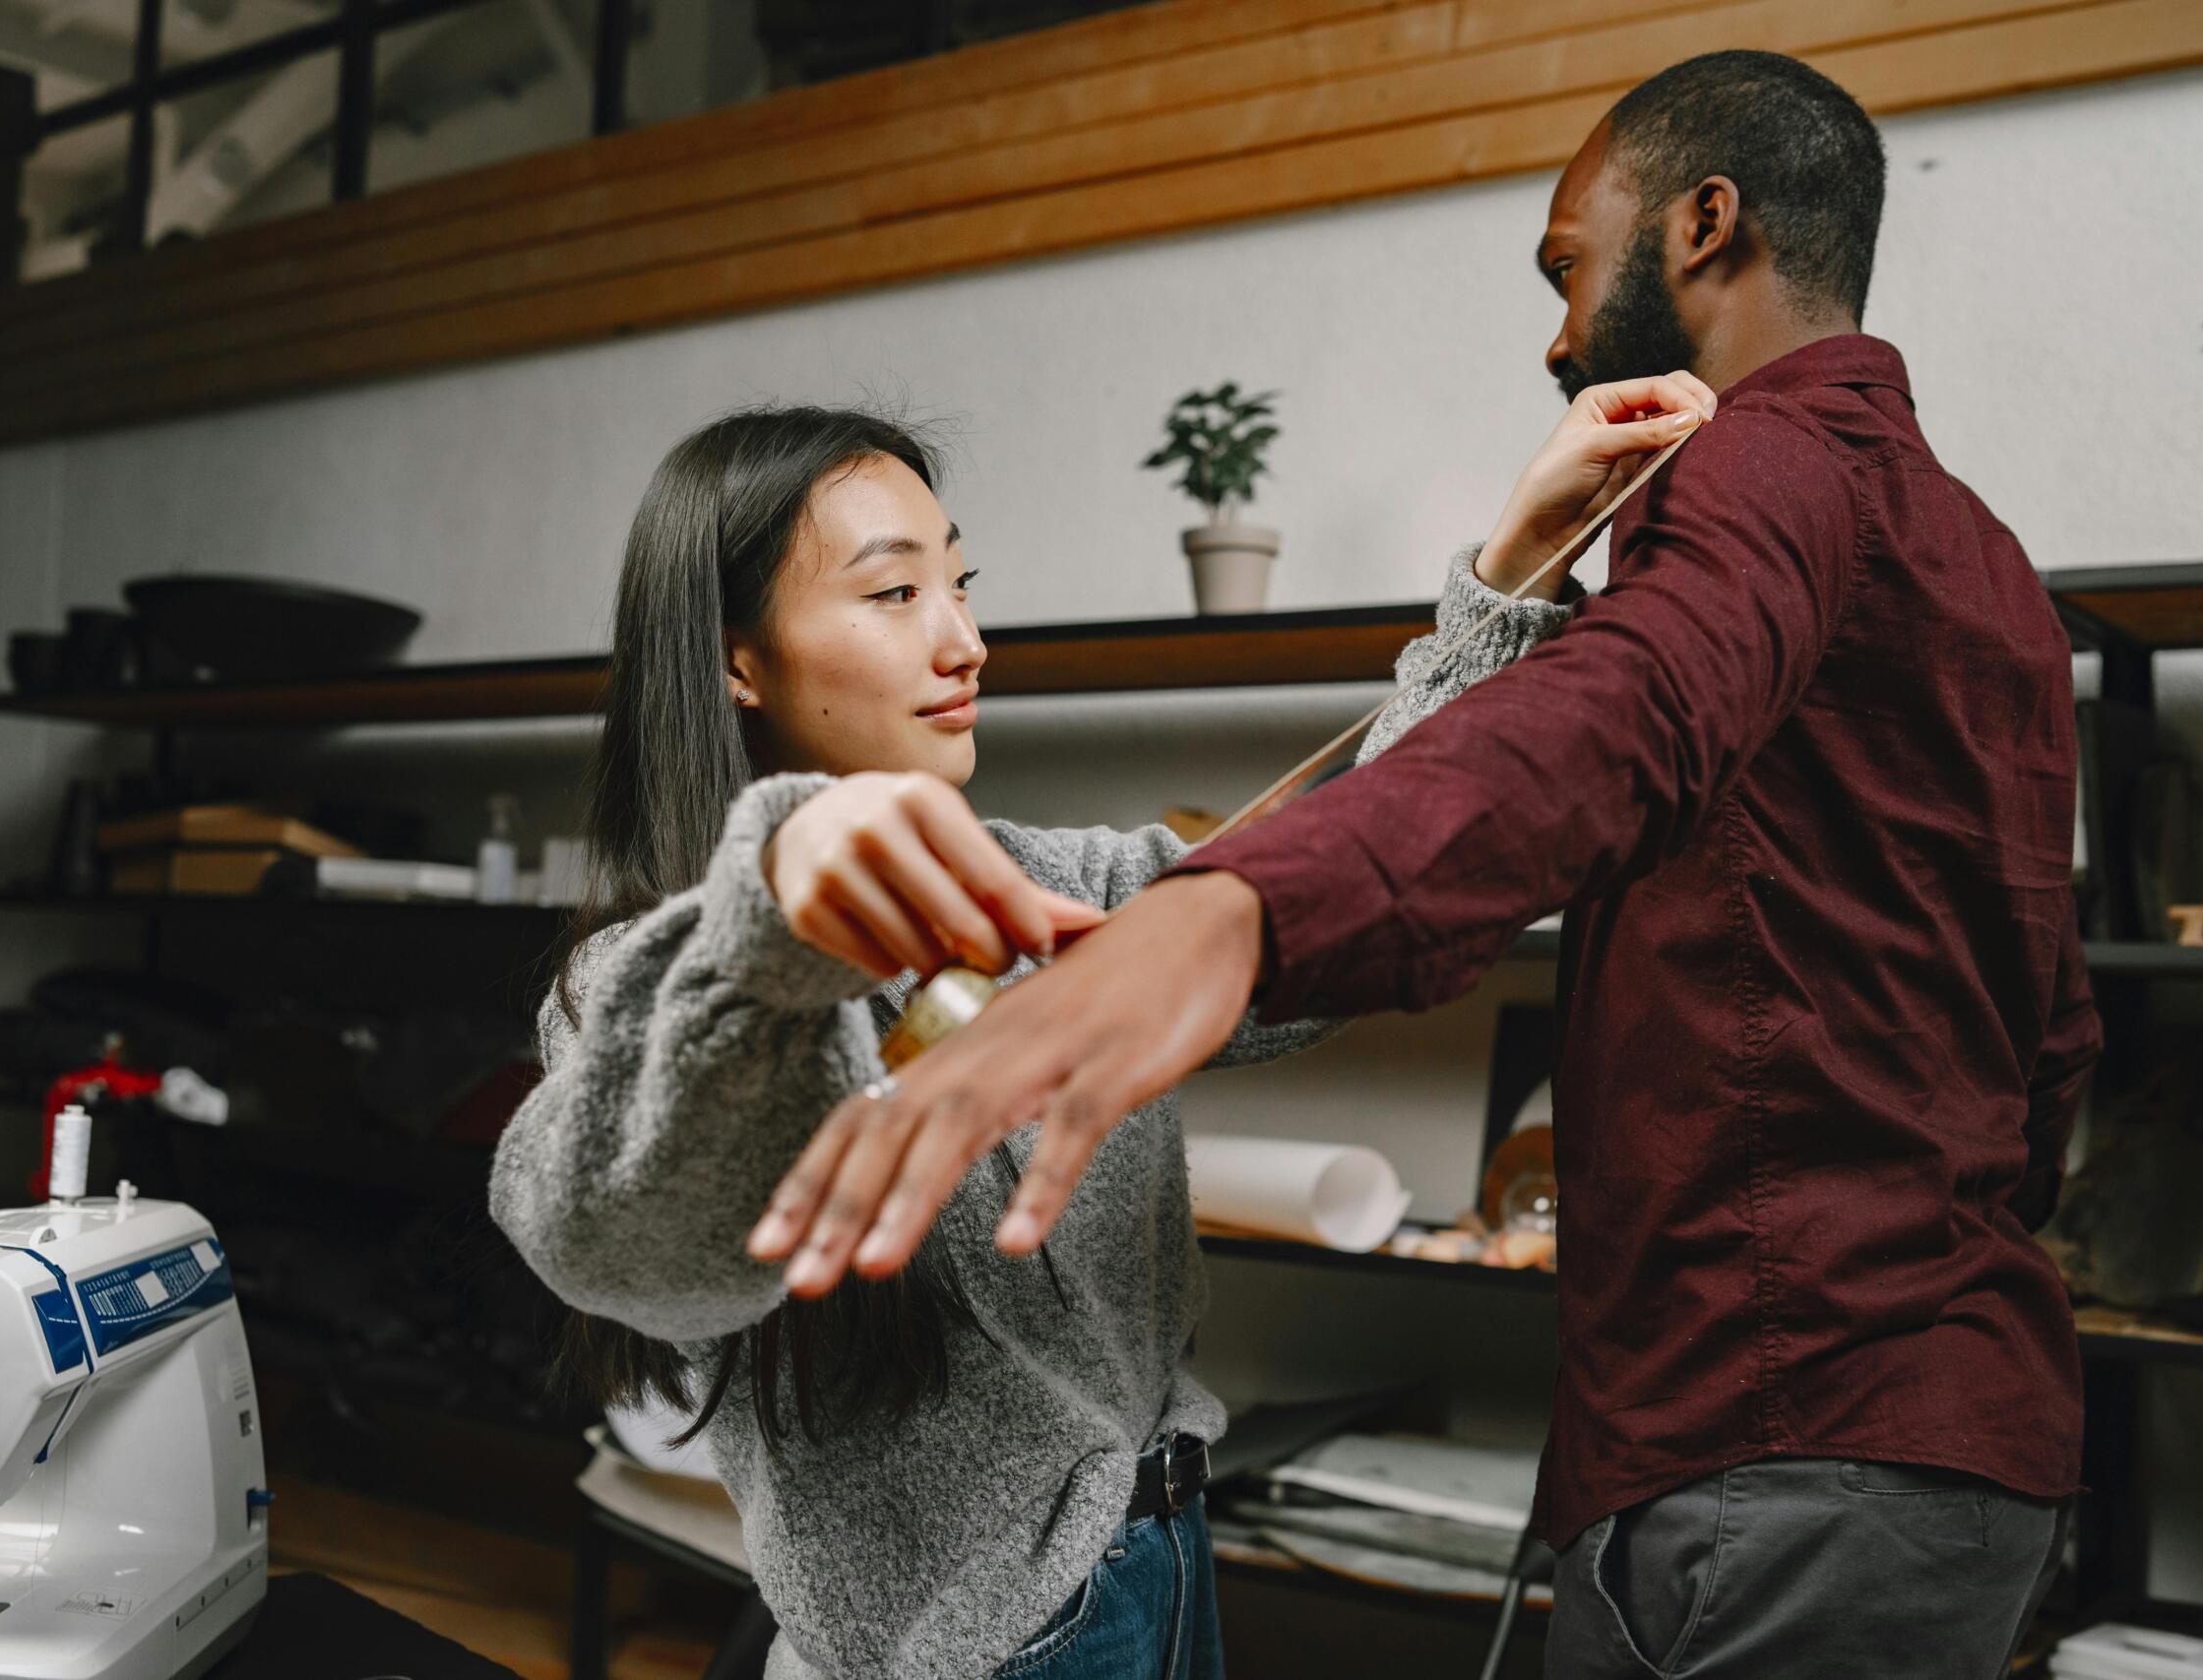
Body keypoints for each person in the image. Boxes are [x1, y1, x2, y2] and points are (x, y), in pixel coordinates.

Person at [750, 51, 2105, 1680]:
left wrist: (1239, 913)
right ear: (734, 659)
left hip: (1773, 1444)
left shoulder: (1758, 464)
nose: (1554, 331)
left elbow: (1630, 706)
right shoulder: (1990, 560)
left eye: (1567, 267)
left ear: (1705, 228)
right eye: (895, 594)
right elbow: (2051, 1036)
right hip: (1957, 1445)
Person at [491, 388, 1709, 1680]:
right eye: (894, 595)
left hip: (1165, 1566)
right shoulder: (640, 982)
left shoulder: (1044, 881)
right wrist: (773, 912)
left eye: (960, 584)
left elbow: (1332, 890)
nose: (963, 640)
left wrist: (1513, 572)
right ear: (739, 658)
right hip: (1002, 1651)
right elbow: (596, 1223)